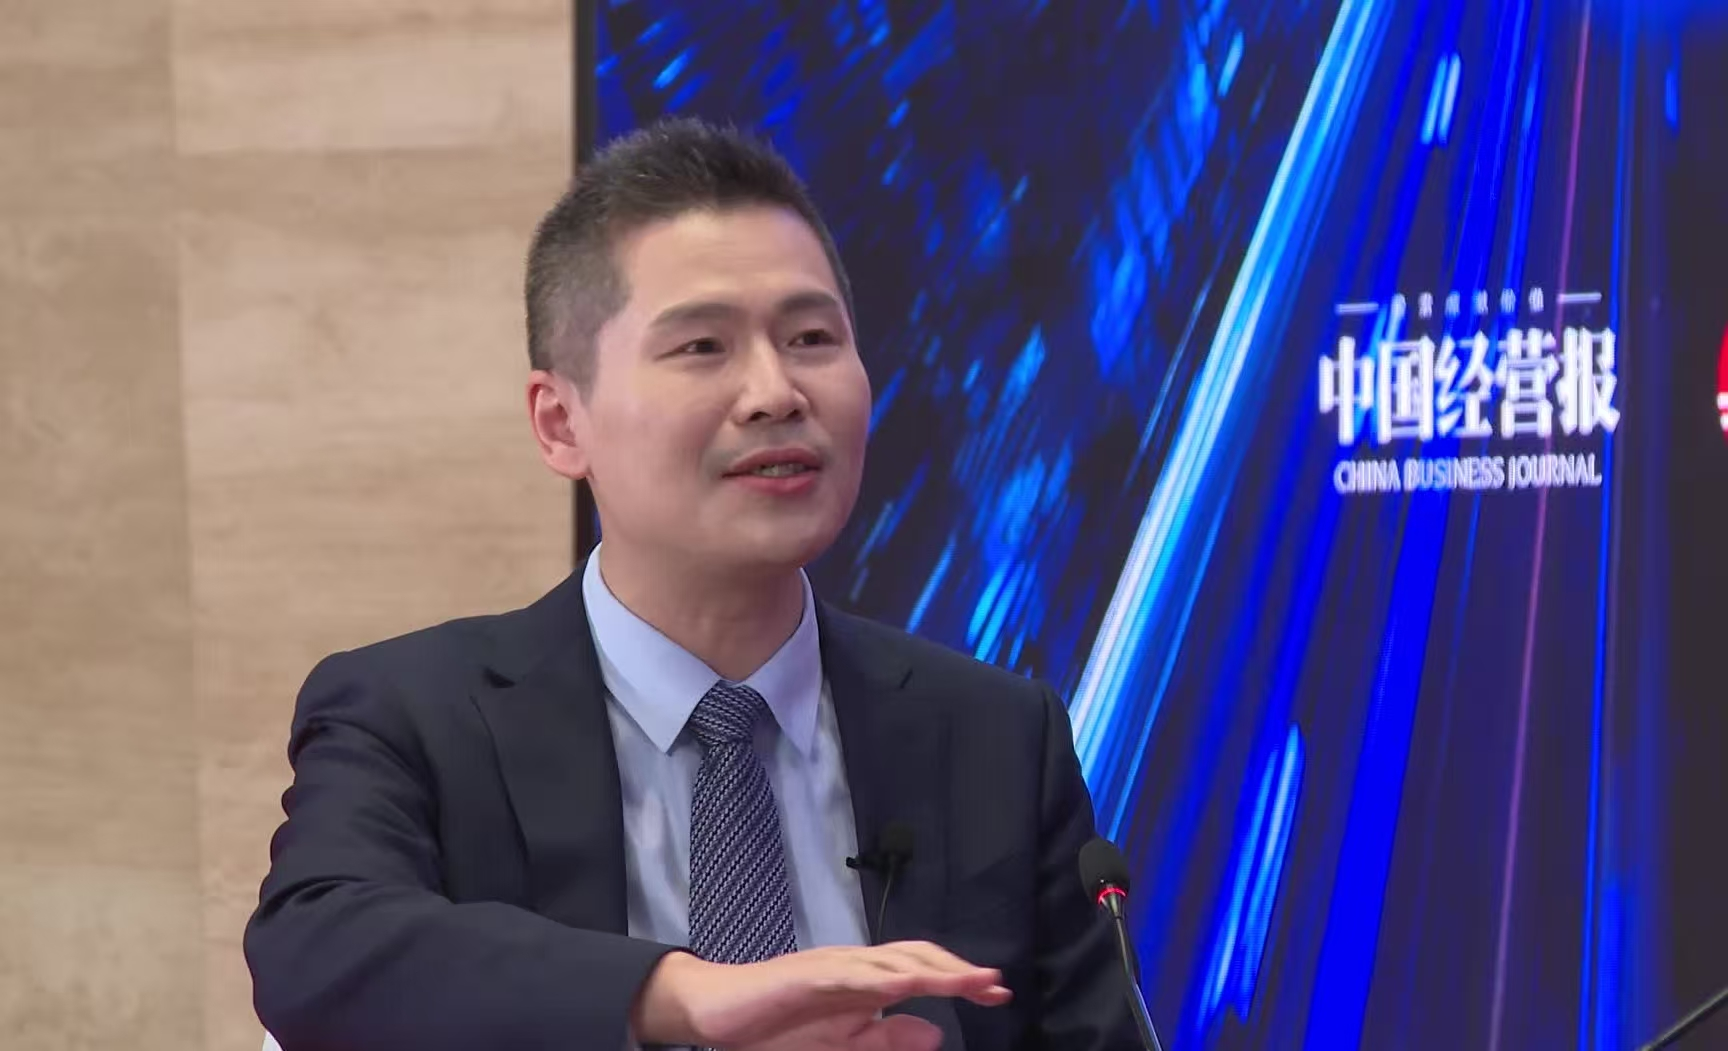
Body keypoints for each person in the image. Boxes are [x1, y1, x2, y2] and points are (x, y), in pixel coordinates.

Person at [245, 116, 1140, 1051]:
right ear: (561, 423)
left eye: (812, 337)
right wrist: (680, 997)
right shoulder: (415, 715)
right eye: (703, 347)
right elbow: (316, 942)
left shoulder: (998, 735)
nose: (776, 392)